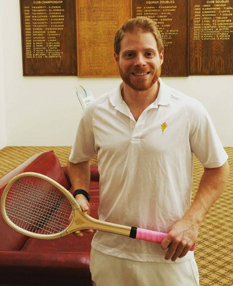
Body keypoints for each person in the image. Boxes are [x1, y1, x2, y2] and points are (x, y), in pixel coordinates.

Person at [67, 17, 229, 286]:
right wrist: (80, 192)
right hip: (110, 252)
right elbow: (77, 160)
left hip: (167, 252)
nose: (139, 61)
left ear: (161, 57)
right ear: (117, 58)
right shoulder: (95, 112)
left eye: (148, 53)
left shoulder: (189, 110)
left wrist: (193, 220)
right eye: (130, 54)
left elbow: (219, 167)